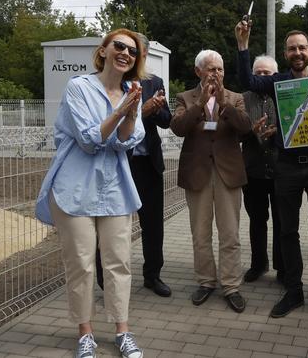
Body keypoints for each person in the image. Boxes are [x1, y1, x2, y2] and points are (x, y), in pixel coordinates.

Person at [35, 29, 146, 358]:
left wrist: (132, 110)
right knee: (81, 264)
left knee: (118, 263)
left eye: (133, 51)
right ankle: (85, 334)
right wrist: (121, 109)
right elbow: (88, 139)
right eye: (119, 46)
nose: (125, 53)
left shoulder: (131, 92)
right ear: (104, 50)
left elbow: (126, 140)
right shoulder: (79, 87)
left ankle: (122, 331)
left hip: (115, 190)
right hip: (75, 189)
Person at [235, 20, 308, 322]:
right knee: (288, 231)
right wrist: (243, 46)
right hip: (287, 167)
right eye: (292, 48)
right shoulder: (277, 82)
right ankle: (294, 290)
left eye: (302, 48)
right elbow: (247, 80)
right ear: (285, 53)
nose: (297, 52)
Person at [169, 49, 251, 313]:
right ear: (198, 72)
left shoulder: (236, 98)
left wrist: (223, 102)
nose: (216, 73)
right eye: (211, 69)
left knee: (230, 234)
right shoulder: (186, 98)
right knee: (200, 234)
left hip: (228, 173)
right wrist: (199, 104)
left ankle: (231, 286)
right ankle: (206, 281)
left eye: (220, 69)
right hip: (198, 174)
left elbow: (245, 127)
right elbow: (178, 127)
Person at [96, 34, 173, 298]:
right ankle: (105, 280)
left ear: (145, 55)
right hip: (119, 164)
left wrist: (157, 108)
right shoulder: (114, 82)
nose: (131, 54)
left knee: (153, 224)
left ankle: (153, 276)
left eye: (137, 51)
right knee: (111, 224)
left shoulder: (155, 82)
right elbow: (107, 123)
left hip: (148, 163)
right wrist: (142, 111)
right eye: (126, 49)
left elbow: (167, 121)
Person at [241, 55, 284, 283]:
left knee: (281, 221)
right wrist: (250, 130)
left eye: (267, 73)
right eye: (258, 72)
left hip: (280, 170)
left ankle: (282, 267)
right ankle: (258, 264)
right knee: (257, 220)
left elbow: (295, 125)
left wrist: (278, 130)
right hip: (252, 169)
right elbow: (234, 132)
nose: (262, 76)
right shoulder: (243, 98)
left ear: (275, 75)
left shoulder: (284, 95)